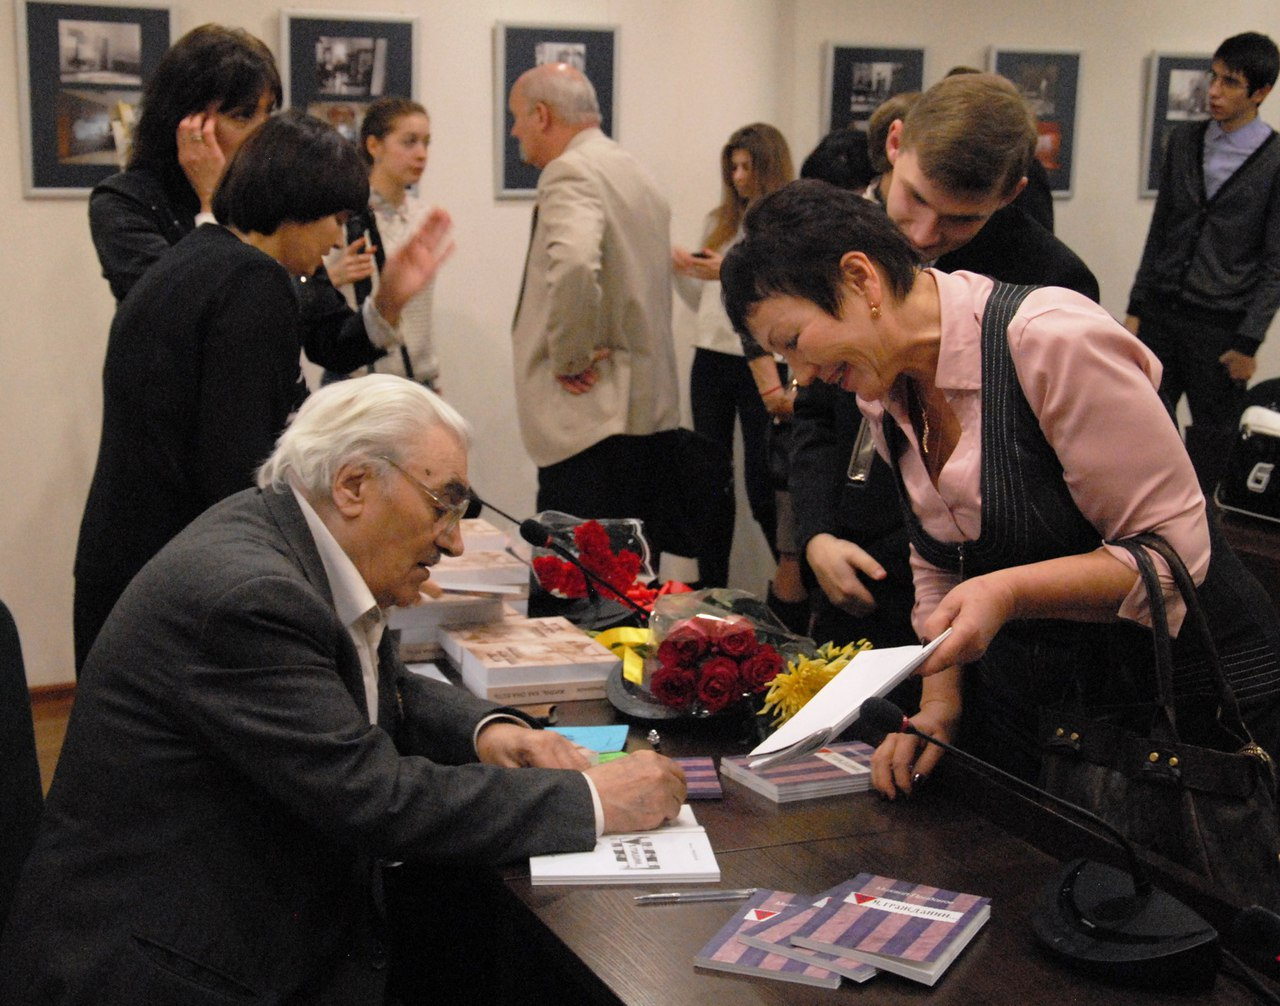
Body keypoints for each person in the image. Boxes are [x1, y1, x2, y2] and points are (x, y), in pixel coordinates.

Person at [4, 375, 687, 1002]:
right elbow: (373, 796)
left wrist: (489, 731)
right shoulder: (252, 596)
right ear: (355, 484)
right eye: (443, 505)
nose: (453, 543)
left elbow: (371, 687)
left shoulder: (291, 541)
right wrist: (593, 800)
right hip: (167, 968)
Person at [723, 180, 1280, 798]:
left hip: (1192, 708)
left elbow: (1174, 555)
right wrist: (939, 703)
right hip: (1065, 713)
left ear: (862, 280)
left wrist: (1007, 591)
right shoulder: (885, 386)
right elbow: (939, 557)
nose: (801, 376)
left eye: (794, 343)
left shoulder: (1051, 339)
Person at [72, 111, 453, 673]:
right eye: (334, 219)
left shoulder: (195, 257)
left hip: (128, 565)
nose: (335, 240)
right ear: (297, 204)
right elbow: (246, 468)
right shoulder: (254, 281)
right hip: (180, 584)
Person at [792, 73, 1098, 652]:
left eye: (961, 219)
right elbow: (812, 409)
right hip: (845, 550)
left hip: (979, 586)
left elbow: (1051, 484)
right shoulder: (840, 240)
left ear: (1010, 195)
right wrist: (814, 534)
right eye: (916, 199)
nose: (927, 234)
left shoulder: (1049, 281)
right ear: (894, 143)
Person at [508, 62, 681, 542]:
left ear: (542, 115)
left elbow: (576, 265)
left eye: (517, 117)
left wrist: (570, 357)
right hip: (648, 413)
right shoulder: (635, 170)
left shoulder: (570, 171)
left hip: (592, 417)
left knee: (577, 577)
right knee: (631, 572)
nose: (515, 131)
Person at [1126, 32, 1280, 485]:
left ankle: (1204, 522)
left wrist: (1249, 342)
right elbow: (1160, 230)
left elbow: (1276, 262)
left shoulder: (1274, 160)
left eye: (1230, 82)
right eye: (1213, 77)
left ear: (1260, 92)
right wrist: (1136, 308)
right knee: (1142, 423)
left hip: (1220, 326)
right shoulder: (1185, 141)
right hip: (1161, 311)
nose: (1213, 91)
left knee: (1213, 442)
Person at [672, 123, 801, 614]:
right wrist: (688, 270)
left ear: (769, 166)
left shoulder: (783, 223)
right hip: (711, 354)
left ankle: (792, 583)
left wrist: (722, 270)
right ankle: (711, 587)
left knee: (764, 479)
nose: (738, 176)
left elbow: (774, 287)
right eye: (733, 167)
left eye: (747, 166)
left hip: (763, 360)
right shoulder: (721, 220)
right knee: (707, 473)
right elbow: (708, 301)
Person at [89, 23, 281, 304]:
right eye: (243, 115)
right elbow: (185, 307)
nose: (265, 131)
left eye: (269, 112)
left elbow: (314, 311)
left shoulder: (270, 195)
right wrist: (212, 201)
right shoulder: (123, 200)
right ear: (188, 123)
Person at [323, 96, 443, 390]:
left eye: (426, 143)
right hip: (356, 383)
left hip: (417, 381)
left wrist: (428, 381)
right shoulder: (341, 216)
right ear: (374, 145)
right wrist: (331, 278)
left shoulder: (424, 218)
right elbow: (300, 289)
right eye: (409, 142)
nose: (421, 154)